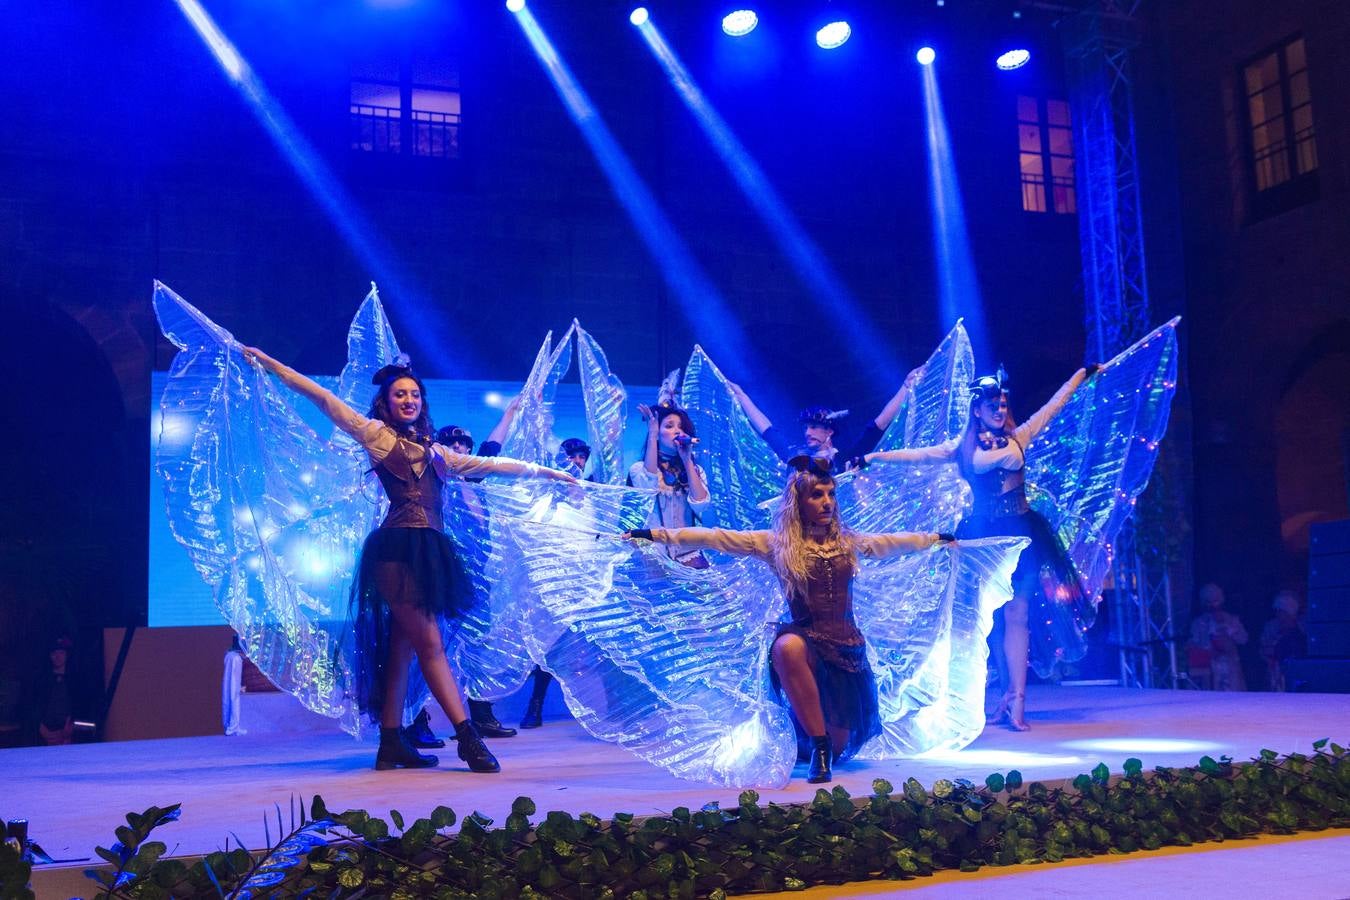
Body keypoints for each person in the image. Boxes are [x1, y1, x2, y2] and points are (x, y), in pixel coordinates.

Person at [242, 347, 574, 772]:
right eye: (400, 394)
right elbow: (323, 400)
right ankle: (467, 737)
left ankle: (390, 742)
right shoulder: (376, 435)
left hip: (429, 552)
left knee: (402, 648)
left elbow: (490, 463)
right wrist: (272, 363)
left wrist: (547, 473)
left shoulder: (437, 453)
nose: (408, 400)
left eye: (414, 394)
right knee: (431, 644)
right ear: (386, 401)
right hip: (398, 551)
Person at [625, 456, 951, 784]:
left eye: (830, 494)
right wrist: (654, 534)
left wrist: (936, 538)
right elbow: (714, 537)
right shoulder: (778, 544)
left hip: (845, 650)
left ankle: (811, 741)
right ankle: (818, 744)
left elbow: (895, 543)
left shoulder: (848, 542)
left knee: (838, 749)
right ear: (799, 502)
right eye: (816, 495)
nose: (826, 502)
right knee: (786, 648)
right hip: (807, 640)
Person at [864, 364, 1098, 731]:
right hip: (983, 538)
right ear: (978, 410)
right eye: (993, 405)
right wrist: (873, 458)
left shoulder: (1020, 436)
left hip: (1022, 534)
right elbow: (918, 455)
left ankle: (1019, 700)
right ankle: (1004, 693)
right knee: (991, 618)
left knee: (1017, 614)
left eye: (1003, 404)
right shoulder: (963, 447)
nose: (1000, 410)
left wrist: (1080, 375)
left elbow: (1054, 407)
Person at [520, 437, 597, 730]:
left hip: (587, 583)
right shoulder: (546, 497)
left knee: (595, 644)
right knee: (549, 644)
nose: (576, 462)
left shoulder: (593, 493)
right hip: (554, 583)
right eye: (571, 457)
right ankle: (535, 704)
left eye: (580, 457)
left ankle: (607, 709)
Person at [728, 371, 918, 465]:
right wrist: (741, 396)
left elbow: (879, 424)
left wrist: (905, 387)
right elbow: (768, 431)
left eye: (813, 427)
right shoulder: (797, 459)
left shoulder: (846, 458)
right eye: (805, 428)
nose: (808, 432)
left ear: (830, 431)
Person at [626, 399, 712, 568]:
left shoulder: (695, 471)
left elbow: (701, 505)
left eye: (681, 427)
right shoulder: (638, 469)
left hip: (689, 552)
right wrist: (652, 434)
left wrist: (687, 459)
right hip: (652, 552)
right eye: (669, 426)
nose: (677, 431)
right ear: (657, 433)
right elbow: (647, 488)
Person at [1188, 582, 1248, 691]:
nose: (1213, 606)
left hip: (1230, 669)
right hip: (1209, 670)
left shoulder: (1231, 620)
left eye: (1215, 601)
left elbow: (1243, 639)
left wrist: (1229, 630)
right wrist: (1208, 651)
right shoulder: (1198, 623)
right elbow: (1193, 645)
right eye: (1208, 602)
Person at [1260, 590, 1306, 692]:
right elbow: (1264, 650)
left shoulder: (1298, 633)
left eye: (1281, 611)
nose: (1278, 614)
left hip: (1289, 675)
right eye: (1277, 611)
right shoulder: (1272, 628)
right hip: (1273, 675)